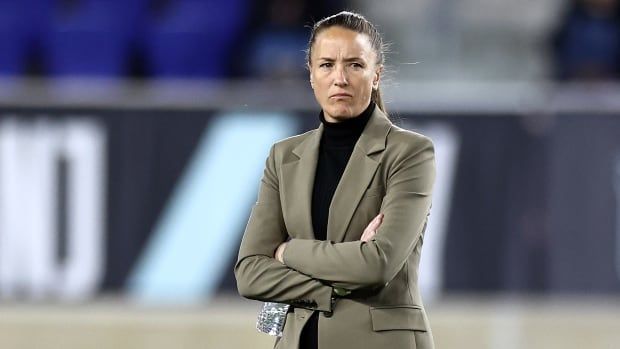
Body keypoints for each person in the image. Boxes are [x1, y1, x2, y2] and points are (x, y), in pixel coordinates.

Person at [234, 11, 436, 349]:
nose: (339, 77)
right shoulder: (284, 156)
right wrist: (335, 285)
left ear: (376, 75)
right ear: (311, 75)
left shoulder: (410, 152)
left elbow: (376, 265)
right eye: (327, 65)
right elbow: (251, 272)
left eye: (355, 65)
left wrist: (287, 252)